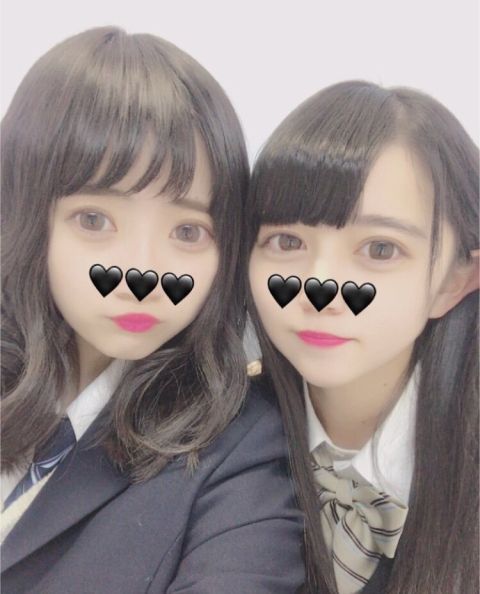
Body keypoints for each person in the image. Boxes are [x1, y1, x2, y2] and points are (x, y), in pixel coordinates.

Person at [0, 26, 305, 593]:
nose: (142, 274)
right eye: (95, 220)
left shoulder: (244, 445)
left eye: (187, 231)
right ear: (27, 216)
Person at [244, 80, 479, 593]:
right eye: (287, 241)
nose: (320, 289)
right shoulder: (220, 436)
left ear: (455, 281)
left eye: (380, 249)